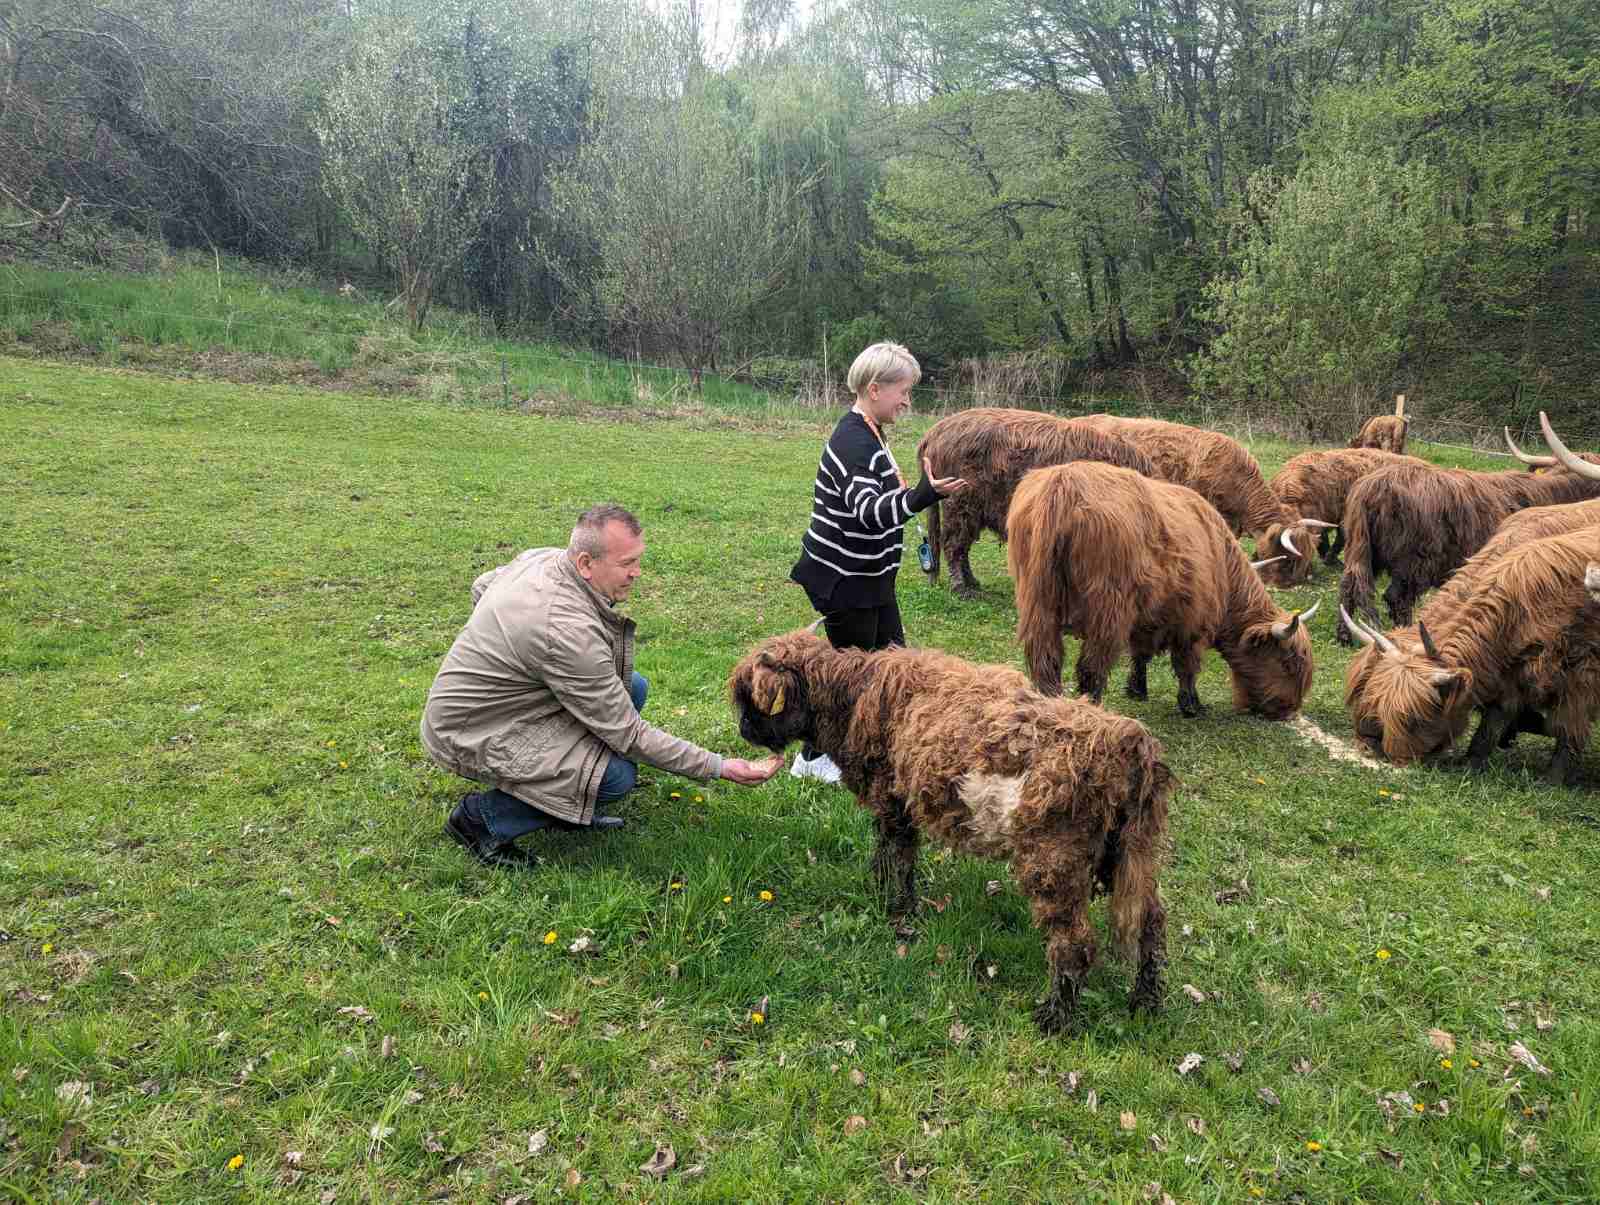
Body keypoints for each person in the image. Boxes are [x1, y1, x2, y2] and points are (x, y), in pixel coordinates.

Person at [422, 503, 780, 867]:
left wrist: (510, 659)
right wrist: (720, 766)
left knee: (633, 687)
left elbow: (481, 585)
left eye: (638, 560)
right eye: (626, 564)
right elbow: (629, 735)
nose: (637, 573)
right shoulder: (566, 632)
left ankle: (564, 802)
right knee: (614, 778)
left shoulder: (543, 559)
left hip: (494, 708)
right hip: (466, 731)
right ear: (585, 564)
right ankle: (481, 820)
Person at [788, 342, 968, 781]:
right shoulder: (853, 441)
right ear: (874, 388)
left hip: (870, 578)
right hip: (846, 580)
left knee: (895, 663)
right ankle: (812, 759)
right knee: (850, 677)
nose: (907, 401)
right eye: (903, 391)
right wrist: (926, 494)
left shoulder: (869, 432)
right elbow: (869, 512)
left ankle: (888, 742)